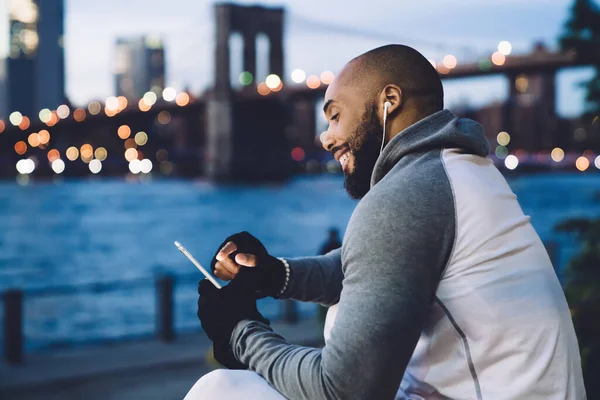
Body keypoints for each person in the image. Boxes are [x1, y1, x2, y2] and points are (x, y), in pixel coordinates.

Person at [187, 44, 586, 399]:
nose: (325, 139)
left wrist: (241, 332)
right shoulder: (460, 171)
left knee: (221, 390)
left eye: (335, 116)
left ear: (388, 101)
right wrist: (275, 275)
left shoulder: (407, 195)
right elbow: (368, 266)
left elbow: (343, 389)